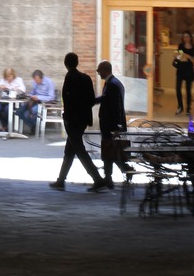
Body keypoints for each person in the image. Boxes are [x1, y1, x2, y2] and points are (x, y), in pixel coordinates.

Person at [48, 52, 107, 192]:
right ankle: (61, 180)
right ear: (77, 62)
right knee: (70, 150)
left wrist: (67, 118)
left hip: (72, 121)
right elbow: (91, 100)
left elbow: (68, 101)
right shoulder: (86, 78)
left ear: (66, 64)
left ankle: (97, 179)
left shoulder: (69, 77)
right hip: (83, 120)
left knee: (79, 150)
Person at [94, 60, 132, 188]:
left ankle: (123, 171)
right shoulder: (114, 83)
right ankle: (110, 177)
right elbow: (106, 99)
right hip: (110, 124)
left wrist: (116, 127)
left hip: (110, 125)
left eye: (99, 70)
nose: (98, 73)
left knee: (111, 151)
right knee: (110, 151)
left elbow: (116, 107)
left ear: (105, 70)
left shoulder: (112, 85)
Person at [16, 69, 56, 135]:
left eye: (37, 80)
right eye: (34, 80)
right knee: (19, 111)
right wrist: (30, 95)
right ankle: (34, 126)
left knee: (28, 113)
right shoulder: (35, 82)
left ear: (42, 78)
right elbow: (33, 92)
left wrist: (39, 97)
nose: (35, 82)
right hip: (34, 101)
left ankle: (35, 128)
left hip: (44, 103)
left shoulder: (49, 82)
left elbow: (51, 97)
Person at [0, 67, 27, 134]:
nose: (8, 78)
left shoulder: (18, 80)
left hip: (13, 101)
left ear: (13, 75)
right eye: (6, 77)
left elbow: (23, 90)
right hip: (3, 100)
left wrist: (15, 89)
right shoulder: (2, 80)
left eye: (9, 76)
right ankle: (5, 125)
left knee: (7, 109)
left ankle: (6, 126)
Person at [174, 30, 194, 115]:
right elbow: (179, 55)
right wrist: (180, 55)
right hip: (180, 68)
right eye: (184, 36)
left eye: (187, 36)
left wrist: (188, 56)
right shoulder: (181, 46)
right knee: (178, 88)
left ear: (190, 37)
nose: (186, 38)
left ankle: (188, 108)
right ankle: (180, 106)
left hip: (189, 69)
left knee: (188, 90)